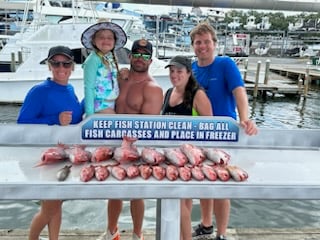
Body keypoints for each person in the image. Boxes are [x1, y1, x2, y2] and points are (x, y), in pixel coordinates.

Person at [189, 22, 258, 240]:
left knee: (222, 184)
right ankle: (206, 225)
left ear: (214, 44)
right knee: (204, 180)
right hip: (199, 133)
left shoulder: (225, 63)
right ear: (193, 46)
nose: (203, 46)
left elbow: (239, 92)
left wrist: (245, 118)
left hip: (224, 134)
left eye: (207, 42)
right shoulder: (191, 68)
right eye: (198, 42)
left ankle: (221, 233)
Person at [97, 39, 163, 240]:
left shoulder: (153, 88)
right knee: (113, 188)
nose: (140, 58)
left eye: (145, 55)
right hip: (113, 142)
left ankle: (137, 234)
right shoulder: (120, 78)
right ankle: (111, 231)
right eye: (137, 54)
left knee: (137, 191)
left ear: (150, 61)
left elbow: (148, 128)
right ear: (131, 56)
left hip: (137, 145)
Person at [17, 46, 83, 240]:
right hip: (46, 158)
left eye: (66, 63)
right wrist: (55, 119)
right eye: (56, 63)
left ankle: (54, 238)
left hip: (65, 156)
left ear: (72, 67)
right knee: (49, 207)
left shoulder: (70, 89)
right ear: (49, 66)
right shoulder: (39, 91)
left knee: (57, 201)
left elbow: (76, 117)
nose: (61, 68)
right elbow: (22, 123)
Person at [162, 55, 213, 240]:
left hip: (190, 158)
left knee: (180, 202)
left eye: (179, 71)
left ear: (189, 73)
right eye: (172, 71)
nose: (175, 75)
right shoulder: (168, 93)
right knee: (183, 202)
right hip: (171, 158)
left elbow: (210, 126)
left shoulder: (198, 94)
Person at [81, 21, 127, 116]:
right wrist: (90, 114)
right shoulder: (93, 60)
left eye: (110, 38)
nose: (106, 40)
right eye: (101, 37)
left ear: (114, 41)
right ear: (94, 41)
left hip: (112, 103)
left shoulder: (110, 57)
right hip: (100, 105)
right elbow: (88, 87)